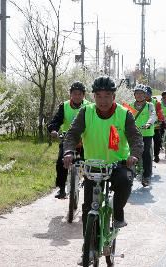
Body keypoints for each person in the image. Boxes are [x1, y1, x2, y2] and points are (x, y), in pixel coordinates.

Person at [63, 76, 143, 234]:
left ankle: (118, 213)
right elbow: (72, 134)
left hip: (118, 165)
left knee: (125, 181)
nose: (103, 100)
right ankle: (88, 248)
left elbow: (135, 137)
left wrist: (134, 155)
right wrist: (68, 151)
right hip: (93, 167)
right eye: (99, 96)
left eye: (107, 96)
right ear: (93, 97)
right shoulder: (86, 112)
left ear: (114, 96)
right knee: (87, 208)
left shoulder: (124, 114)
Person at [47, 81, 89, 199]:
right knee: (61, 162)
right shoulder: (64, 106)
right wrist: (53, 130)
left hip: (84, 140)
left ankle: (88, 181)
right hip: (67, 139)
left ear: (83, 95)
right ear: (71, 94)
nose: (77, 96)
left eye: (79, 94)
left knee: (89, 160)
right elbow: (56, 121)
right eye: (74, 94)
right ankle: (61, 189)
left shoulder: (89, 106)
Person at [126, 84, 156, 186]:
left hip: (146, 133)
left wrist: (148, 123)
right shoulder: (129, 105)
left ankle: (147, 176)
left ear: (145, 95)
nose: (139, 95)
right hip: (133, 134)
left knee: (146, 153)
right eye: (137, 93)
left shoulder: (149, 105)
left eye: (141, 93)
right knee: (128, 152)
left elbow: (153, 115)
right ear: (134, 95)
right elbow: (124, 117)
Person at [145, 86, 164, 163]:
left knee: (158, 141)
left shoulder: (156, 102)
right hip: (144, 127)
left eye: (148, 93)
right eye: (145, 93)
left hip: (155, 126)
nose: (146, 95)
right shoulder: (139, 102)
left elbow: (159, 112)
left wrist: (160, 119)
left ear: (151, 94)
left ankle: (156, 155)